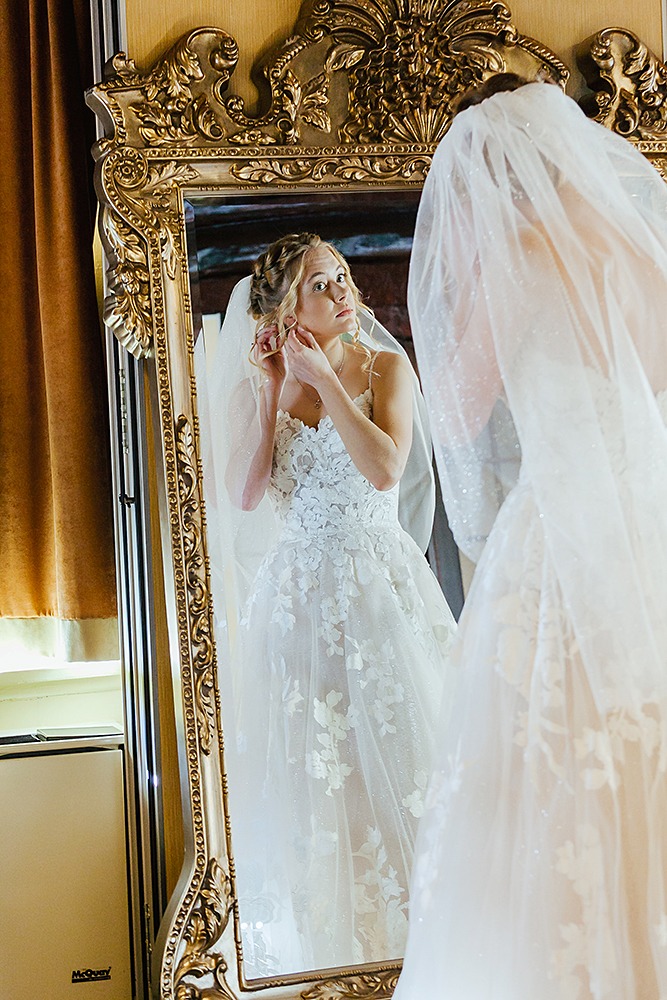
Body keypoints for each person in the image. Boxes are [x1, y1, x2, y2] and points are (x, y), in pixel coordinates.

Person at [393, 76, 667, 999]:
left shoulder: (515, 248)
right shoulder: (626, 245)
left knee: (542, 763)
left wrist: (469, 275)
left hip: (560, 536)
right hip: (644, 519)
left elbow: (463, 409)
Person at [199, 233, 457, 978]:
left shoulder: (385, 367)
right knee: (323, 793)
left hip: (378, 595)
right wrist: (274, 389)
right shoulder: (270, 380)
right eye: (323, 283)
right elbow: (245, 496)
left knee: (403, 776)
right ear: (288, 309)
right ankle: (339, 965)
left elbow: (384, 470)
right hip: (295, 611)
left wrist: (328, 381)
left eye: (344, 276)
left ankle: (426, 961)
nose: (344, 291)